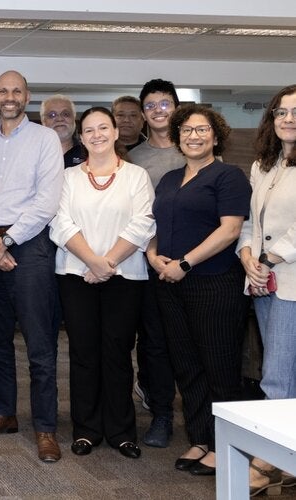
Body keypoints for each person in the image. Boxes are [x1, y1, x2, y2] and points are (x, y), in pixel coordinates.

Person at [148, 104, 250, 476]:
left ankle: (227, 447)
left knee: (219, 366)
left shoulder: (229, 176)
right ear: (178, 137)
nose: (194, 136)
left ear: (216, 136)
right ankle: (200, 438)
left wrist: (185, 263)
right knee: (187, 365)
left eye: (202, 129)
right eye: (187, 130)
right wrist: (153, 255)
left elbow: (230, 230)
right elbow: (156, 225)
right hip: (170, 284)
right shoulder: (169, 179)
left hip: (214, 283)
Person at [49, 107, 155, 459]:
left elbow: (143, 224)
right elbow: (60, 223)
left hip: (124, 276)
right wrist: (93, 262)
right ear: (81, 137)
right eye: (90, 130)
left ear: (115, 132)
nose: (97, 135)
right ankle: (86, 429)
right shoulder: (67, 177)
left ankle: (121, 432)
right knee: (83, 352)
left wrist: (107, 263)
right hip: (76, 275)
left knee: (118, 352)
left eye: (103, 128)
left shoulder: (136, 176)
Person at [0, 70, 64, 463]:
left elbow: (47, 201)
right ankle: (3, 413)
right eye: (3, 91)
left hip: (30, 245)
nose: (9, 97)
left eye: (17, 91)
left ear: (27, 97)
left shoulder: (45, 139)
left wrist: (5, 242)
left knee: (40, 344)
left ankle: (45, 427)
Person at [237, 84, 296, 496]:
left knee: (277, 375)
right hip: (264, 281)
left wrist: (269, 260)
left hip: (288, 280)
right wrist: (248, 258)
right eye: (282, 112)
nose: (289, 119)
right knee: (281, 370)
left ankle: (267, 462)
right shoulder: (264, 165)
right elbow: (250, 223)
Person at [128, 79, 185, 448]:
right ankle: (161, 412)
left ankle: (200, 416)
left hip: (193, 262)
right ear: (143, 113)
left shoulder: (197, 148)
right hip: (148, 260)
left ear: (177, 107)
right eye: (150, 105)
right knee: (155, 342)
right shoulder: (133, 158)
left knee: (191, 342)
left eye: (165, 103)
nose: (158, 111)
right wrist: (152, 254)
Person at [40, 94, 86, 167]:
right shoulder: (32, 152)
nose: (59, 119)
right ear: (43, 121)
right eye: (52, 115)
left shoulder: (89, 152)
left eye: (66, 114)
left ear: (74, 118)